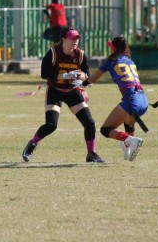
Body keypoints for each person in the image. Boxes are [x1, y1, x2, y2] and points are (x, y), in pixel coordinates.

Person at [22, 27, 105, 163]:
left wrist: (83, 76)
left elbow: (87, 73)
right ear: (63, 39)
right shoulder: (53, 52)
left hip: (72, 91)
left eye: (77, 38)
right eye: (72, 38)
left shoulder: (80, 54)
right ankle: (32, 144)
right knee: (51, 125)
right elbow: (44, 74)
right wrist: (64, 75)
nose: (75, 41)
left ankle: (92, 154)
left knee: (89, 123)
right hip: (55, 90)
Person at [83, 36, 146, 162]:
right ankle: (129, 148)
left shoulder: (111, 60)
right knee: (128, 124)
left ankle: (131, 141)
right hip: (143, 99)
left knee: (105, 130)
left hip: (131, 99)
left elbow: (93, 78)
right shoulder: (130, 61)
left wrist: (82, 83)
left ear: (114, 48)